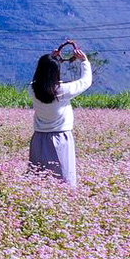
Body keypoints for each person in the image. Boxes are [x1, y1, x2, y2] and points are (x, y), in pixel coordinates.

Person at [28, 40, 93, 186]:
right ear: (56, 72)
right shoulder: (61, 91)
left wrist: (51, 58)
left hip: (38, 137)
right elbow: (85, 82)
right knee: (62, 178)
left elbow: (41, 76)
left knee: (38, 177)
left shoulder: (32, 89)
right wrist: (84, 61)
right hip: (60, 137)